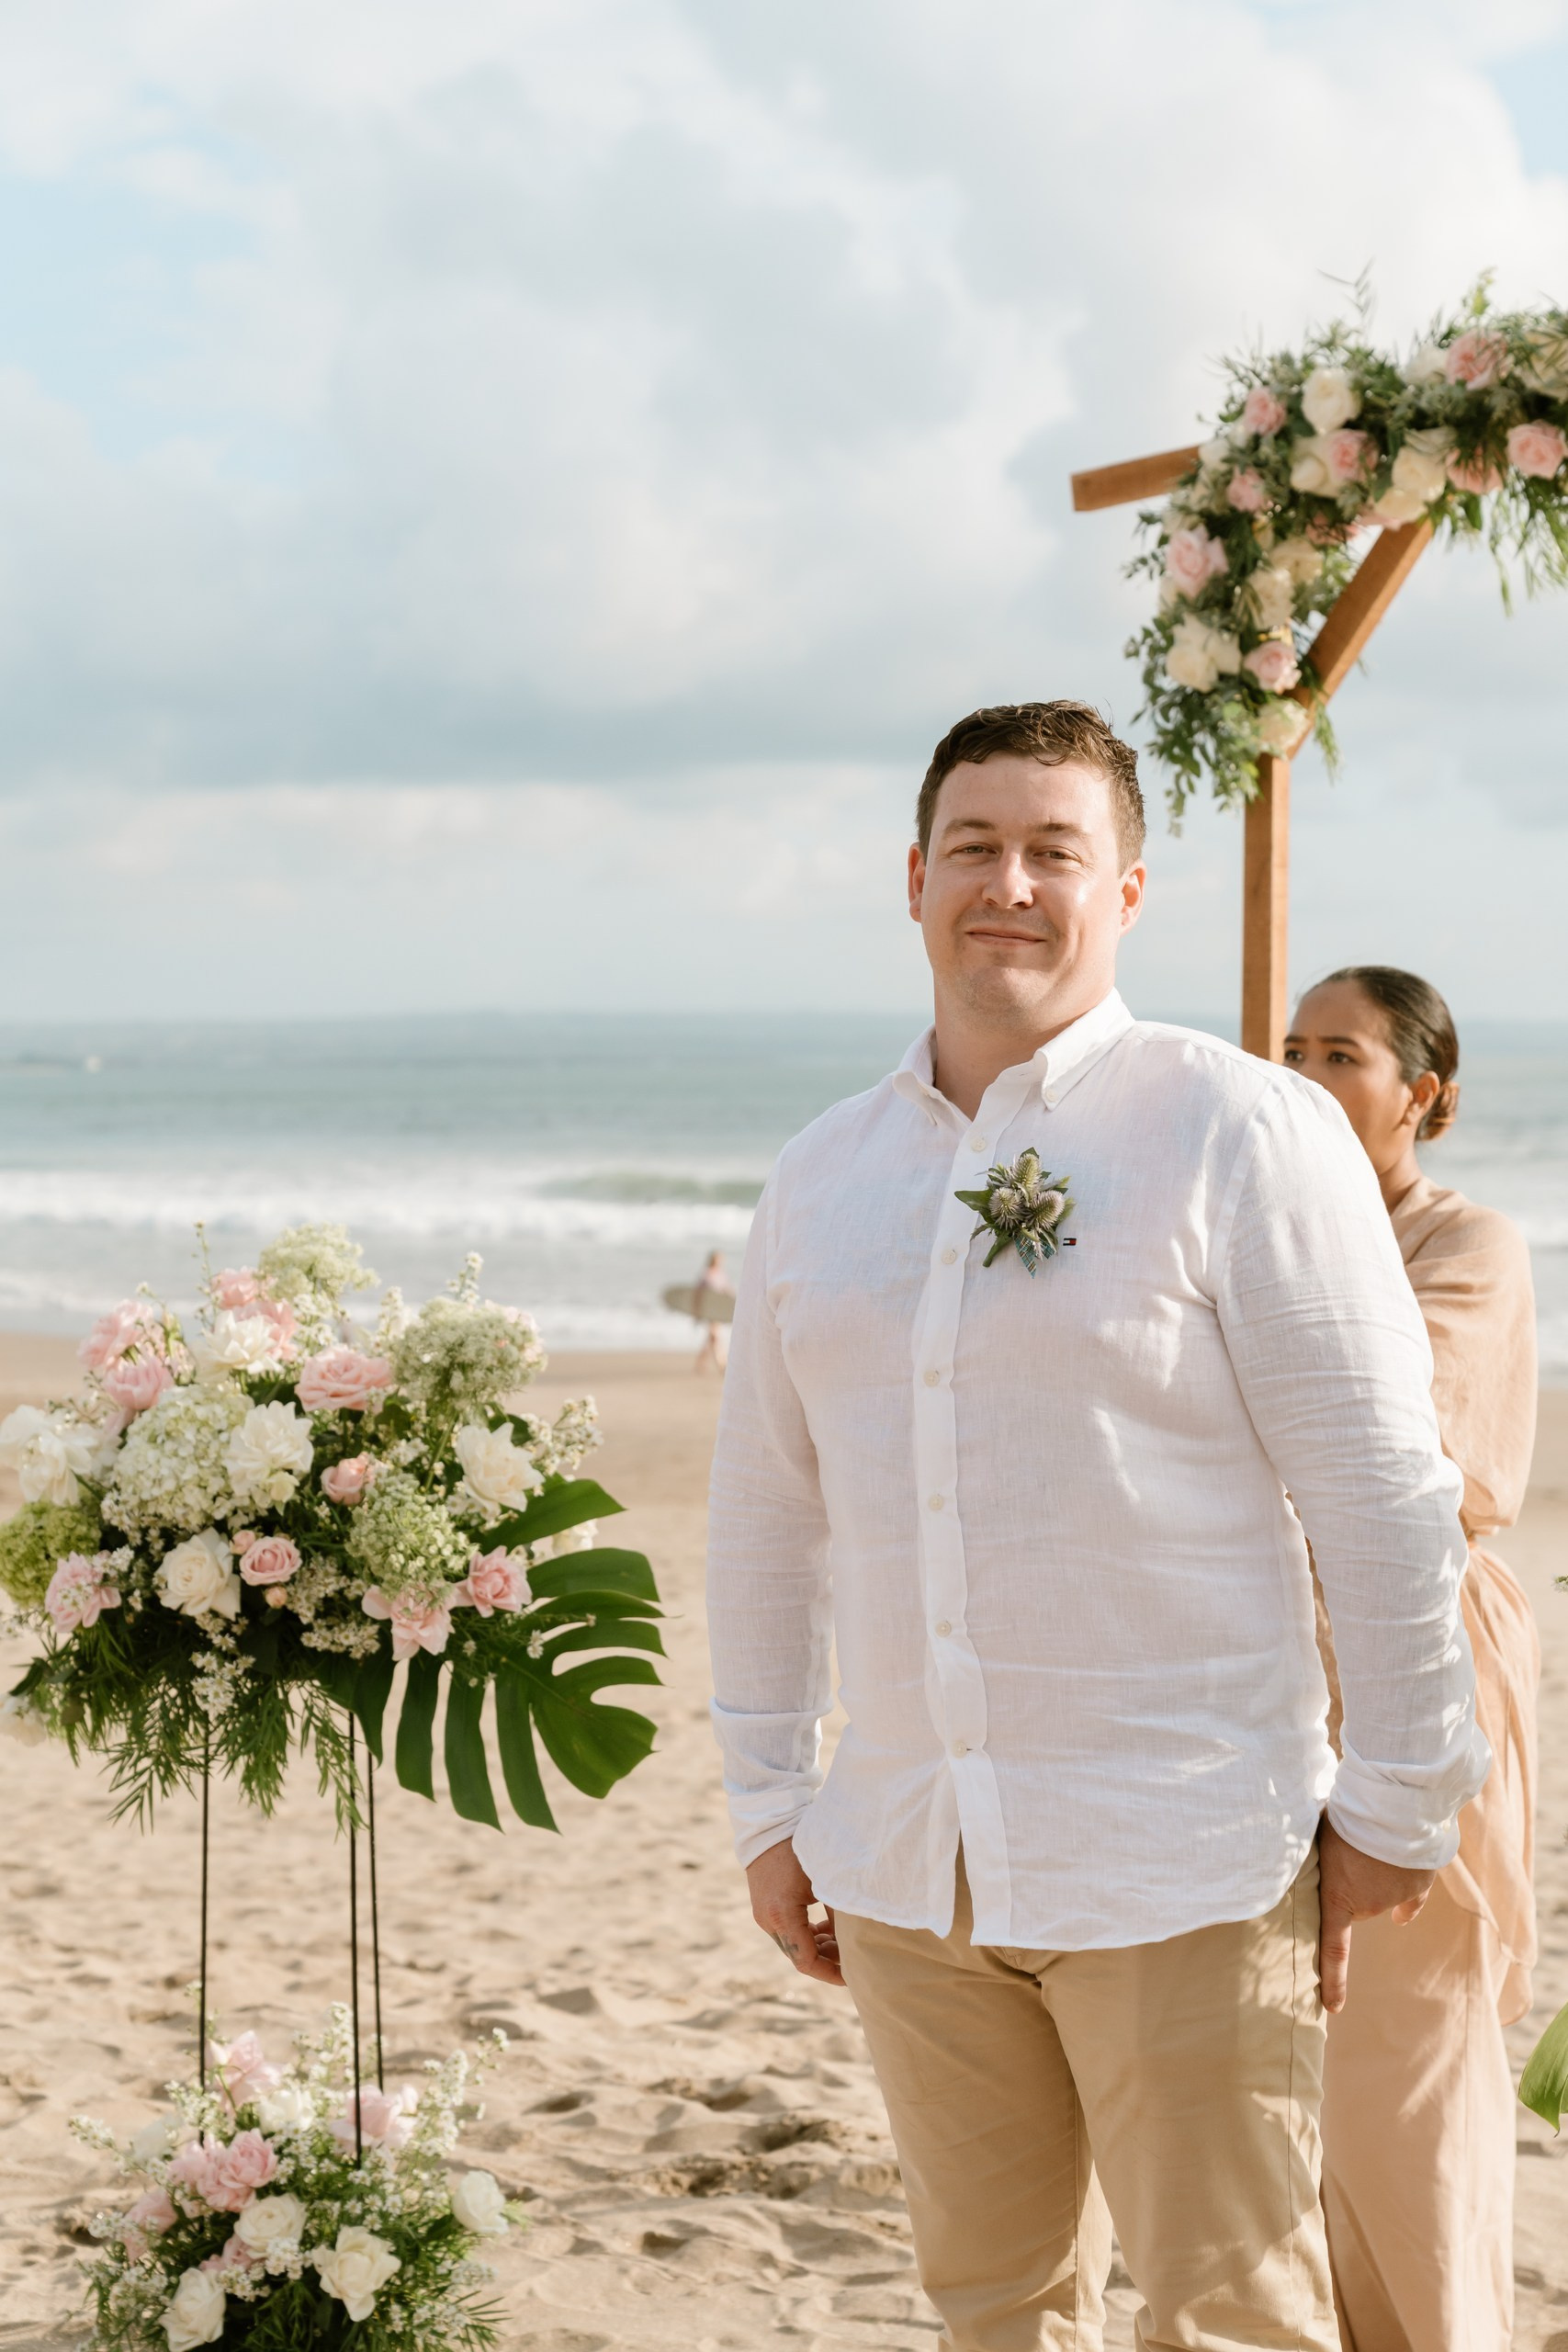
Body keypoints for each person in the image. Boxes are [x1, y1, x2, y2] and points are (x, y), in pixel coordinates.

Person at [705, 699, 1488, 2352]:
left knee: (1229, 2318)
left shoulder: (1239, 1128)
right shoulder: (820, 1173)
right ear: (914, 880)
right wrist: (769, 1798)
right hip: (911, 1864)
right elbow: (768, 1511)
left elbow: (1378, 1483)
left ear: (1124, 892)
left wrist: (1398, 1800)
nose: (1009, 884)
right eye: (974, 847)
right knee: (991, 2310)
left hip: (1184, 1858)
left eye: (1053, 851)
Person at [1285, 967, 1538, 2352]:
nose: (1304, 1075)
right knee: (1292, 2083)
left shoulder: (1467, 1244)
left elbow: (1393, 1442)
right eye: (1289, 1051)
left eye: (1340, 1054)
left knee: (1407, 2062)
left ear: (1419, 1094)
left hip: (1418, 1652)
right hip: (1265, 1665)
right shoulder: (1265, 1231)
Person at [692, 1248, 735, 1374]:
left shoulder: (721, 1275)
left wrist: (734, 1305)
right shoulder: (706, 1275)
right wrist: (696, 1312)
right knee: (714, 1337)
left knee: (712, 1338)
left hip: (718, 1310)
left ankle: (700, 1362)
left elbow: (727, 1291)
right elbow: (698, 1294)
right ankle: (722, 1365)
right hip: (709, 1310)